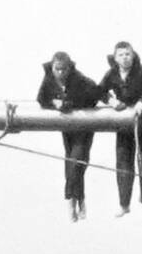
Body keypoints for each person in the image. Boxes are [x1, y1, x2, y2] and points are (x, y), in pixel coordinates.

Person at [98, 41, 142, 218]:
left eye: (127, 54)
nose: (125, 58)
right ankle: (124, 204)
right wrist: (111, 101)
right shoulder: (112, 74)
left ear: (133, 55)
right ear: (115, 58)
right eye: (121, 55)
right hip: (124, 122)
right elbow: (100, 91)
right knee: (123, 162)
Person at [37, 52, 103, 222]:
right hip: (67, 127)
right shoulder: (49, 79)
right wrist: (54, 103)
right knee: (72, 163)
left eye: (63, 69)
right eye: (56, 69)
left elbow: (94, 95)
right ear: (52, 67)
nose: (60, 73)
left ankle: (71, 199)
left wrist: (67, 103)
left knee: (78, 160)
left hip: (84, 125)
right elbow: (41, 99)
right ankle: (79, 199)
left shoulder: (80, 79)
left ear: (69, 68)